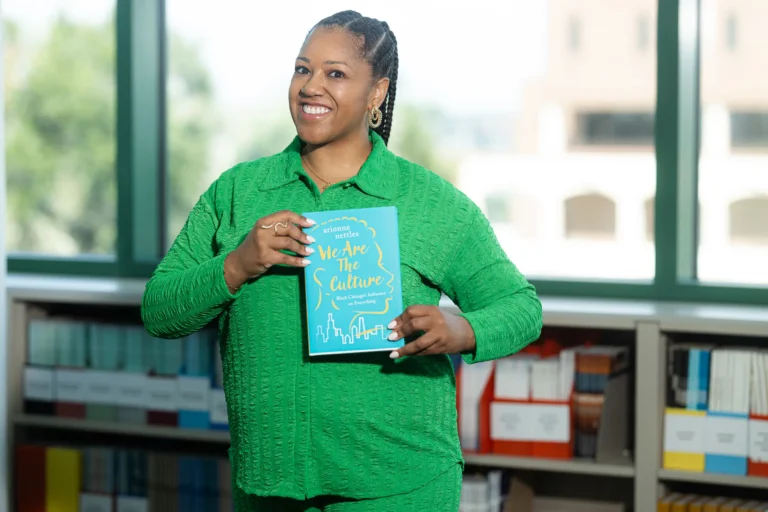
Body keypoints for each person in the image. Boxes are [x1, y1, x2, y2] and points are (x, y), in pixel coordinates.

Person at [141, 10, 542, 512]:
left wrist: (461, 332)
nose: (311, 86)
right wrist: (237, 265)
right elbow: (158, 311)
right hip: (269, 482)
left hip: (398, 485)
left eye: (335, 73)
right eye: (302, 69)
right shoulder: (238, 193)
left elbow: (521, 308)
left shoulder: (430, 203)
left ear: (377, 93)